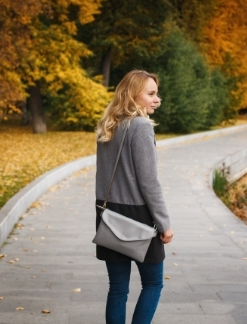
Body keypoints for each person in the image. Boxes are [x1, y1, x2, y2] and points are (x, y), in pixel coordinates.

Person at [95, 70, 173, 324]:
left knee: (118, 289)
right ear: (132, 94)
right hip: (138, 216)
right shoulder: (140, 126)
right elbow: (149, 183)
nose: (156, 99)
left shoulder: (109, 125)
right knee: (153, 283)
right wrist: (164, 224)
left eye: (156, 93)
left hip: (108, 213)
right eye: (150, 94)